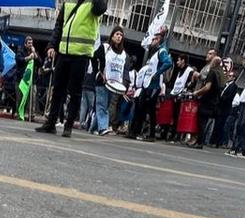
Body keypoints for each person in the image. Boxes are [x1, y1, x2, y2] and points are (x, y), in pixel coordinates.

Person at [36, 0, 108, 137]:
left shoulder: (92, 3)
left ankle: (68, 126)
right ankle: (51, 123)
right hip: (64, 52)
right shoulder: (69, 2)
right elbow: (59, 26)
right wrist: (52, 45)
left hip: (81, 54)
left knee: (75, 92)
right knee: (57, 89)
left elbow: (100, 8)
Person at [125, 29, 171, 141]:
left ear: (158, 40)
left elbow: (168, 63)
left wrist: (158, 73)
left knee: (150, 110)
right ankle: (135, 131)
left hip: (153, 86)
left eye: (154, 39)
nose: (152, 41)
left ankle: (151, 134)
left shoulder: (162, 51)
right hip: (147, 85)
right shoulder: (155, 53)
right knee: (141, 108)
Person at [92, 26, 127, 134]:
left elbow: (123, 69)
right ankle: (103, 127)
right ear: (112, 36)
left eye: (121, 35)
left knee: (105, 106)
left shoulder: (123, 53)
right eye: (117, 34)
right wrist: (97, 72)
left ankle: (93, 127)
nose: (119, 37)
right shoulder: (105, 47)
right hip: (102, 82)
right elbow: (93, 57)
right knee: (102, 104)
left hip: (114, 84)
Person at [189, 56, 224, 149]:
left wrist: (197, 92)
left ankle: (199, 142)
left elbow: (207, 87)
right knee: (205, 122)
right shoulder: (220, 74)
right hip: (214, 101)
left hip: (207, 100)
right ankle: (200, 141)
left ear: (213, 63)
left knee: (201, 121)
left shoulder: (212, 72)